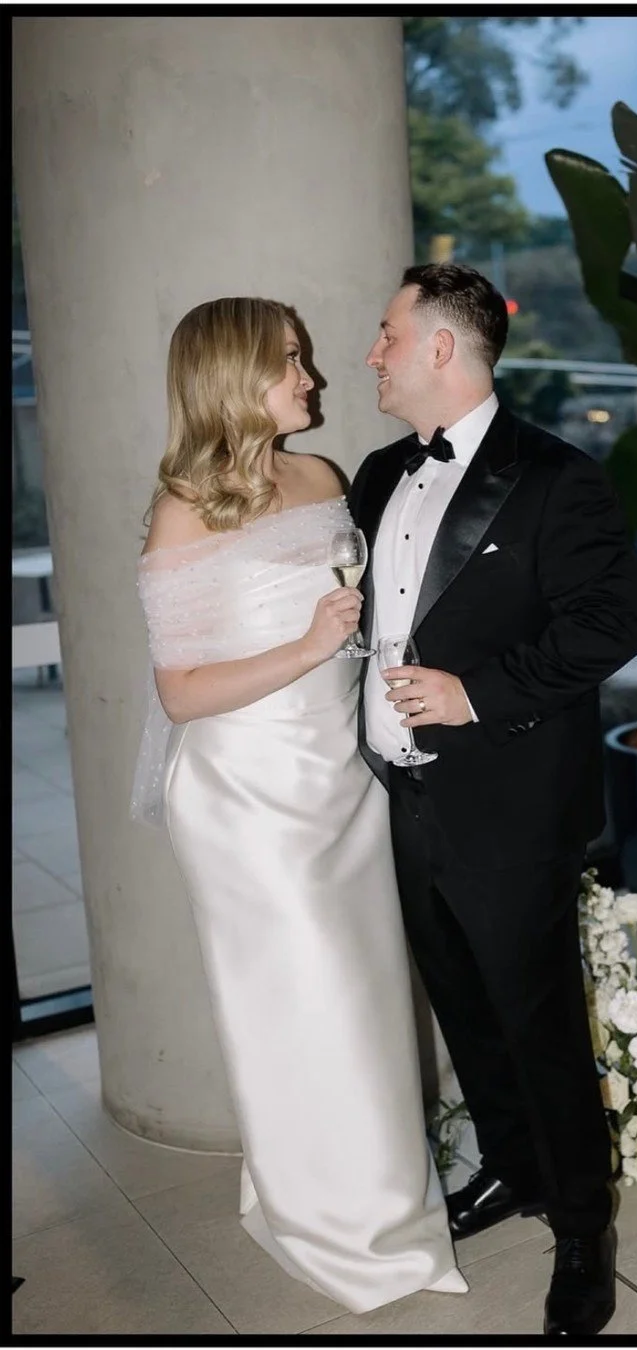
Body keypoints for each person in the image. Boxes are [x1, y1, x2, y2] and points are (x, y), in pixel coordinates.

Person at [131, 297, 467, 1315]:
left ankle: (369, 1202)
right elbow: (181, 693)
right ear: (233, 373)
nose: (312, 376)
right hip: (246, 800)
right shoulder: (184, 506)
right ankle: (344, 1230)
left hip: (341, 781)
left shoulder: (321, 479)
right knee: (302, 1011)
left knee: (363, 1006)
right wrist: (310, 647)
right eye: (290, 360)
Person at [350, 264, 637, 1336]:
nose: (371, 354)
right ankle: (516, 1170)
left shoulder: (558, 477)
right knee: (464, 1007)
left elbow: (609, 626)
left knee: (538, 1020)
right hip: (404, 795)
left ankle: (581, 1227)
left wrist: (477, 694)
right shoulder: (378, 475)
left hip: (512, 799)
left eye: (386, 335)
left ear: (441, 346)